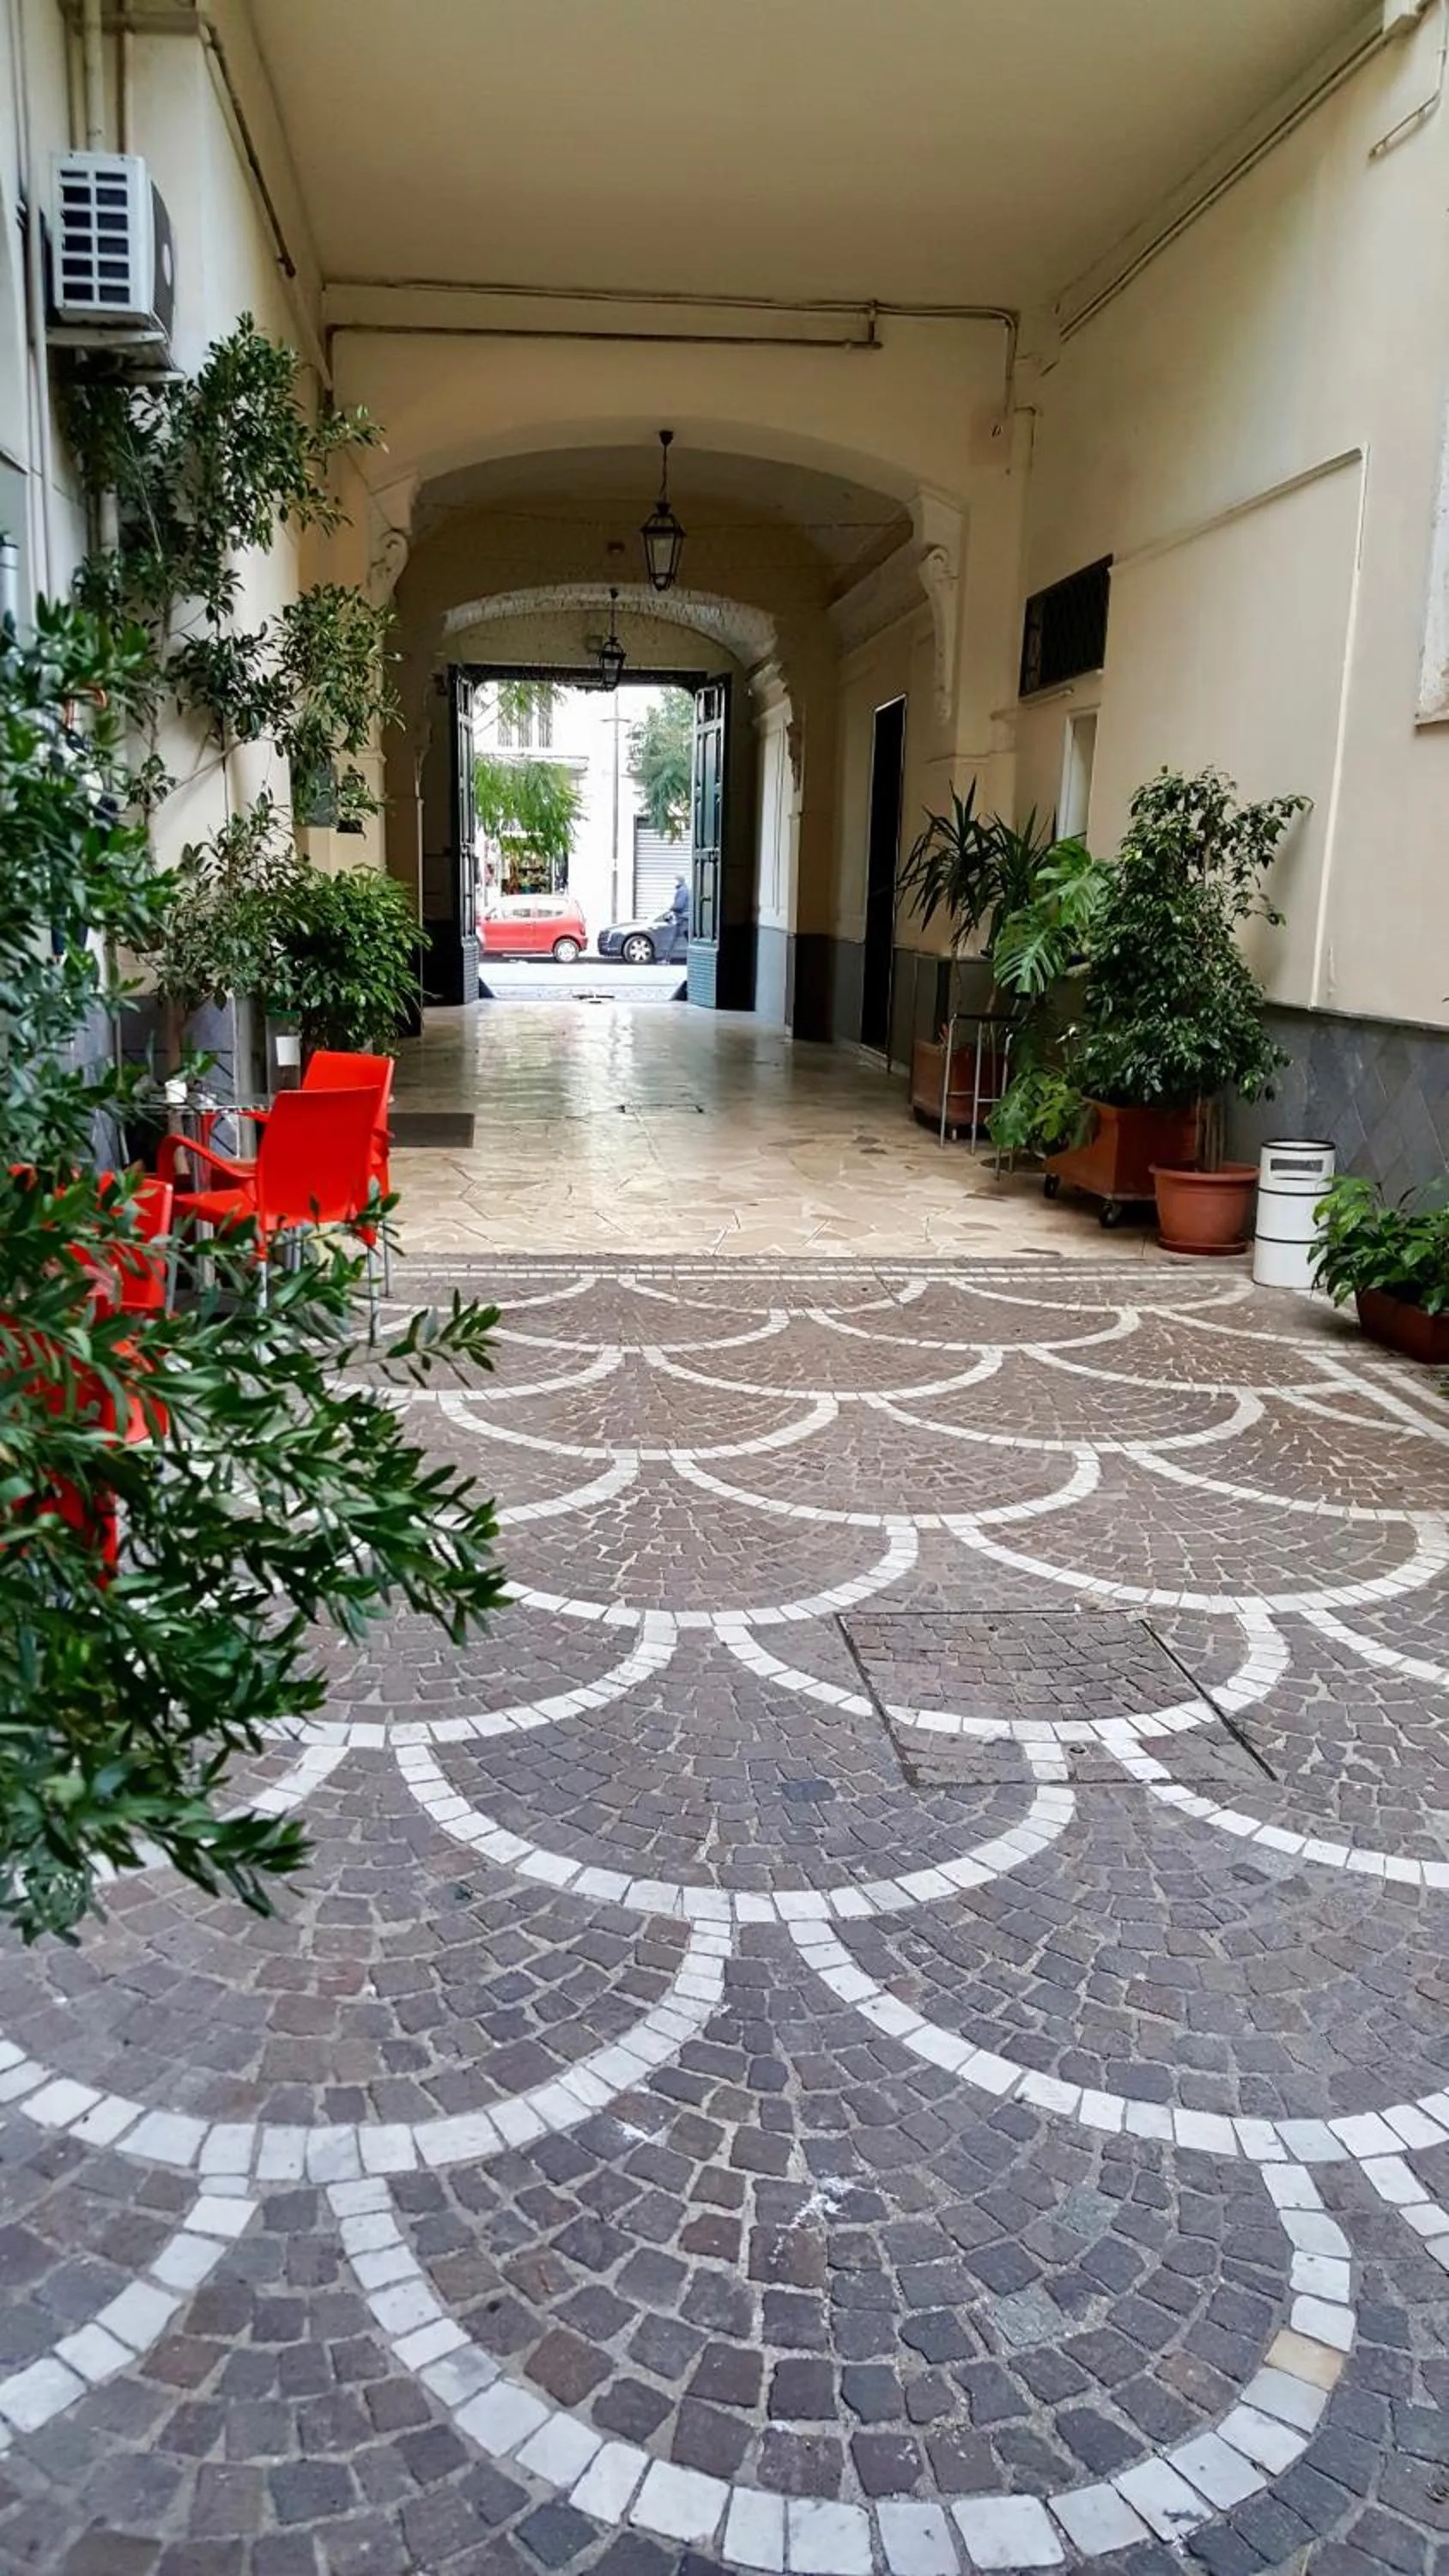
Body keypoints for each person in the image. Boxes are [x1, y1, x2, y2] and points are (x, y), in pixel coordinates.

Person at [670, 872, 690, 958]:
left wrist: (670, 906)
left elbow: (679, 906)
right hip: (684, 919)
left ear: (679, 881)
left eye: (674, 881)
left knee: (674, 940)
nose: (673, 883)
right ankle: (666, 959)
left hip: (683, 919)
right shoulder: (684, 890)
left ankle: (666, 959)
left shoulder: (682, 891)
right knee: (686, 940)